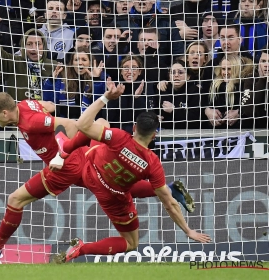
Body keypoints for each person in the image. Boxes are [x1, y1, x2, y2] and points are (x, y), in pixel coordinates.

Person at [0, 92, 196, 263]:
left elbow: (69, 124)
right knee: (110, 176)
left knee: (15, 200)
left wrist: (62, 152)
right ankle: (168, 189)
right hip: (81, 158)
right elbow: (50, 105)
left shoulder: (30, 121)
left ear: (5, 112)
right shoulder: (26, 105)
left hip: (64, 168)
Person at [60, 81, 211, 262]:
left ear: (134, 127)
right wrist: (188, 231)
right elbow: (169, 204)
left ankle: (64, 149)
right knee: (131, 242)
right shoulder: (152, 163)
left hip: (89, 168)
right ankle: (82, 248)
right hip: (111, 194)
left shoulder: (118, 137)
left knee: (100, 121)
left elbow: (83, 124)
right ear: (154, 135)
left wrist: (106, 97)